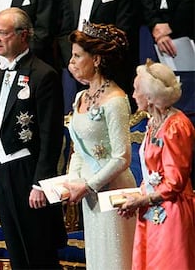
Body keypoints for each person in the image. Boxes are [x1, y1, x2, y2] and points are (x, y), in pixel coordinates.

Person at [0, 7, 67, 269]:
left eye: (2, 33)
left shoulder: (44, 75)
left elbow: (50, 136)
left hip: (28, 172)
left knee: (39, 250)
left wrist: (40, 184)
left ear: (23, 35)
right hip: (2, 171)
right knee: (16, 250)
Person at [63, 22, 137, 270]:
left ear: (96, 60)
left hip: (113, 193)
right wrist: (72, 181)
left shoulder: (116, 100)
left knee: (115, 259)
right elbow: (79, 149)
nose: (71, 62)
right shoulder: (80, 97)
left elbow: (122, 157)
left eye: (77, 56)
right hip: (89, 194)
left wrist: (87, 185)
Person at [118, 60, 195, 269]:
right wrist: (137, 198)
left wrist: (142, 200)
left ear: (150, 97)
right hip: (152, 208)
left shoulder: (176, 126)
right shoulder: (153, 122)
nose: (132, 95)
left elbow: (175, 182)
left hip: (172, 212)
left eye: (136, 90)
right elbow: (153, 173)